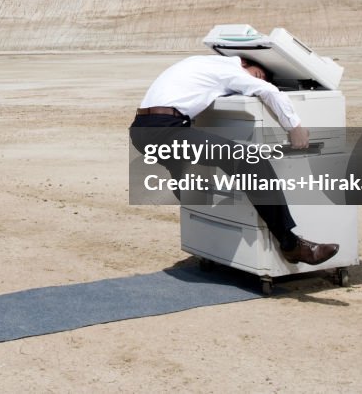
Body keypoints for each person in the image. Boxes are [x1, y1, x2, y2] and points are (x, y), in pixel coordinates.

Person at [131, 54, 339, 266]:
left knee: (190, 171)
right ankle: (291, 245)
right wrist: (294, 126)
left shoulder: (203, 63)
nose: (261, 80)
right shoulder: (229, 69)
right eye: (259, 74)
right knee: (251, 160)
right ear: (244, 63)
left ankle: (188, 197)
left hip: (145, 129)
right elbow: (267, 91)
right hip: (165, 129)